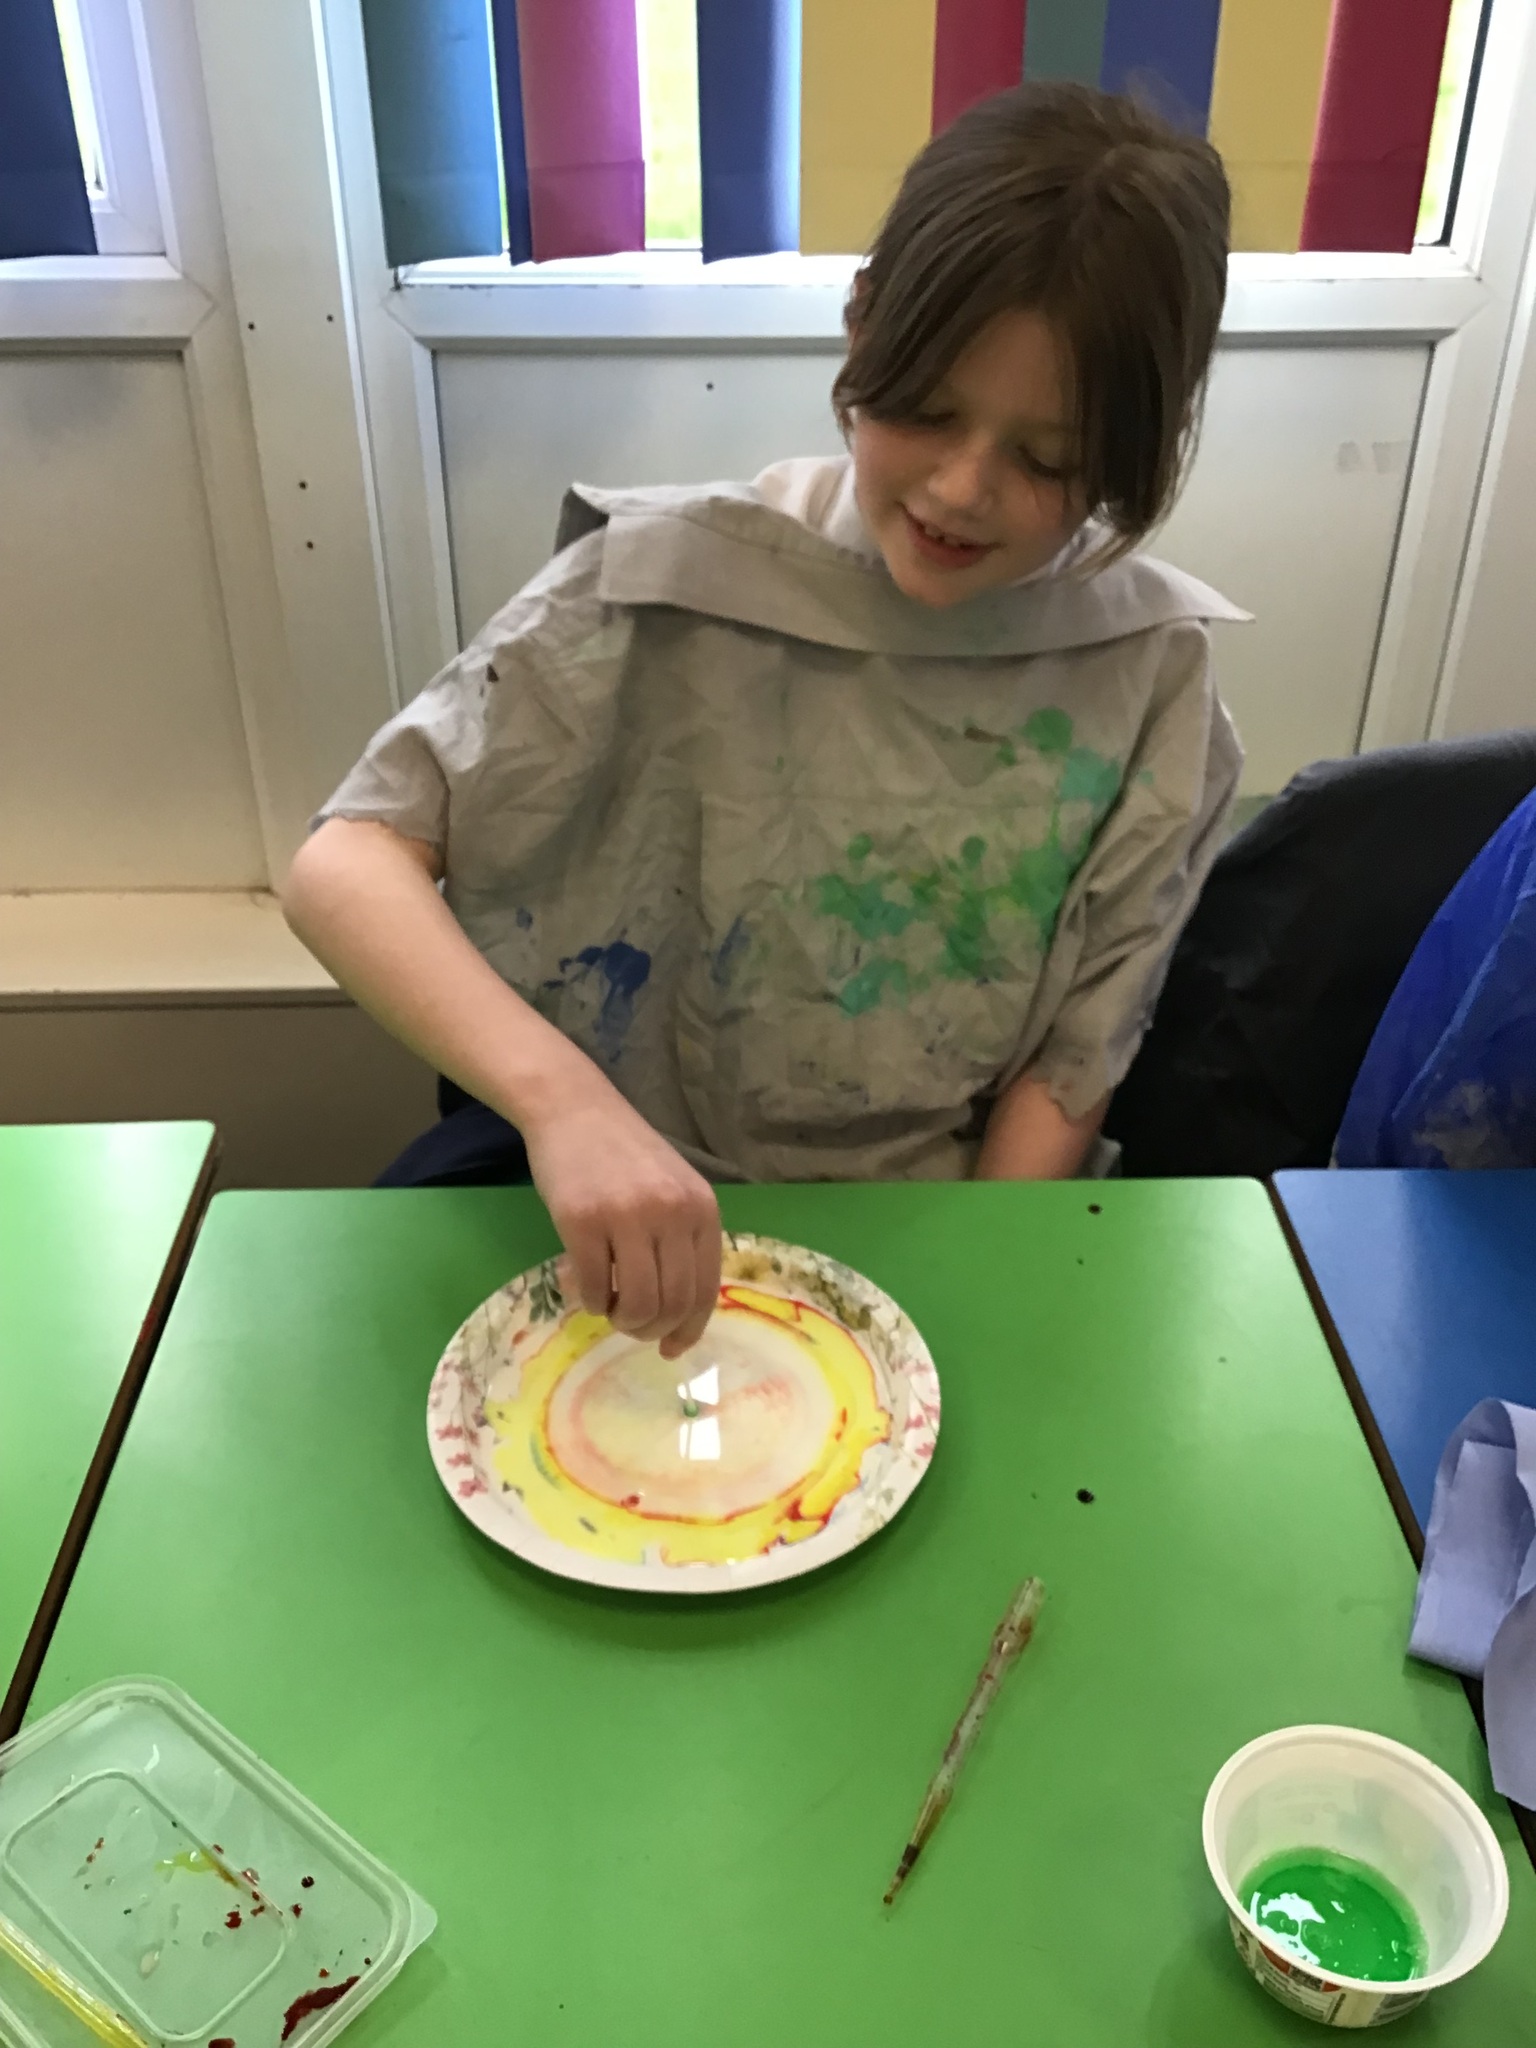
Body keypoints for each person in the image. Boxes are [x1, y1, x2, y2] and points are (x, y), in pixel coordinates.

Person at [283, 82, 1244, 1361]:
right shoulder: (662, 584)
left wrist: (956, 1303)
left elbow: (1067, 1071)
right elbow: (344, 862)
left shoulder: (1149, 677)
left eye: (1048, 458)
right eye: (929, 409)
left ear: (1136, 447)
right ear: (863, 324)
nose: (964, 487)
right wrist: (566, 1105)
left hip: (928, 1222)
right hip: (609, 1202)